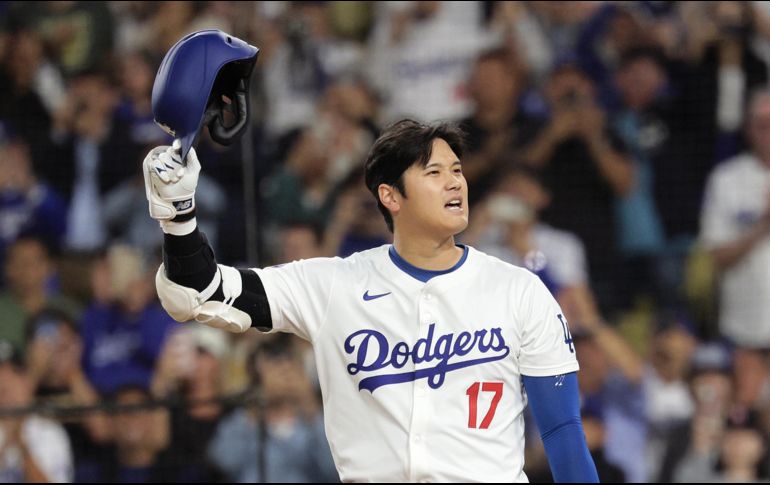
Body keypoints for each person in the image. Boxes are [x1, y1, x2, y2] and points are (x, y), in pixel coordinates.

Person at [143, 118, 598, 481]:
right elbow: (198, 292)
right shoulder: (334, 285)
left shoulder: (519, 290)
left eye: (457, 170)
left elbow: (561, 429)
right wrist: (178, 217)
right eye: (434, 172)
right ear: (390, 196)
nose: (455, 183)